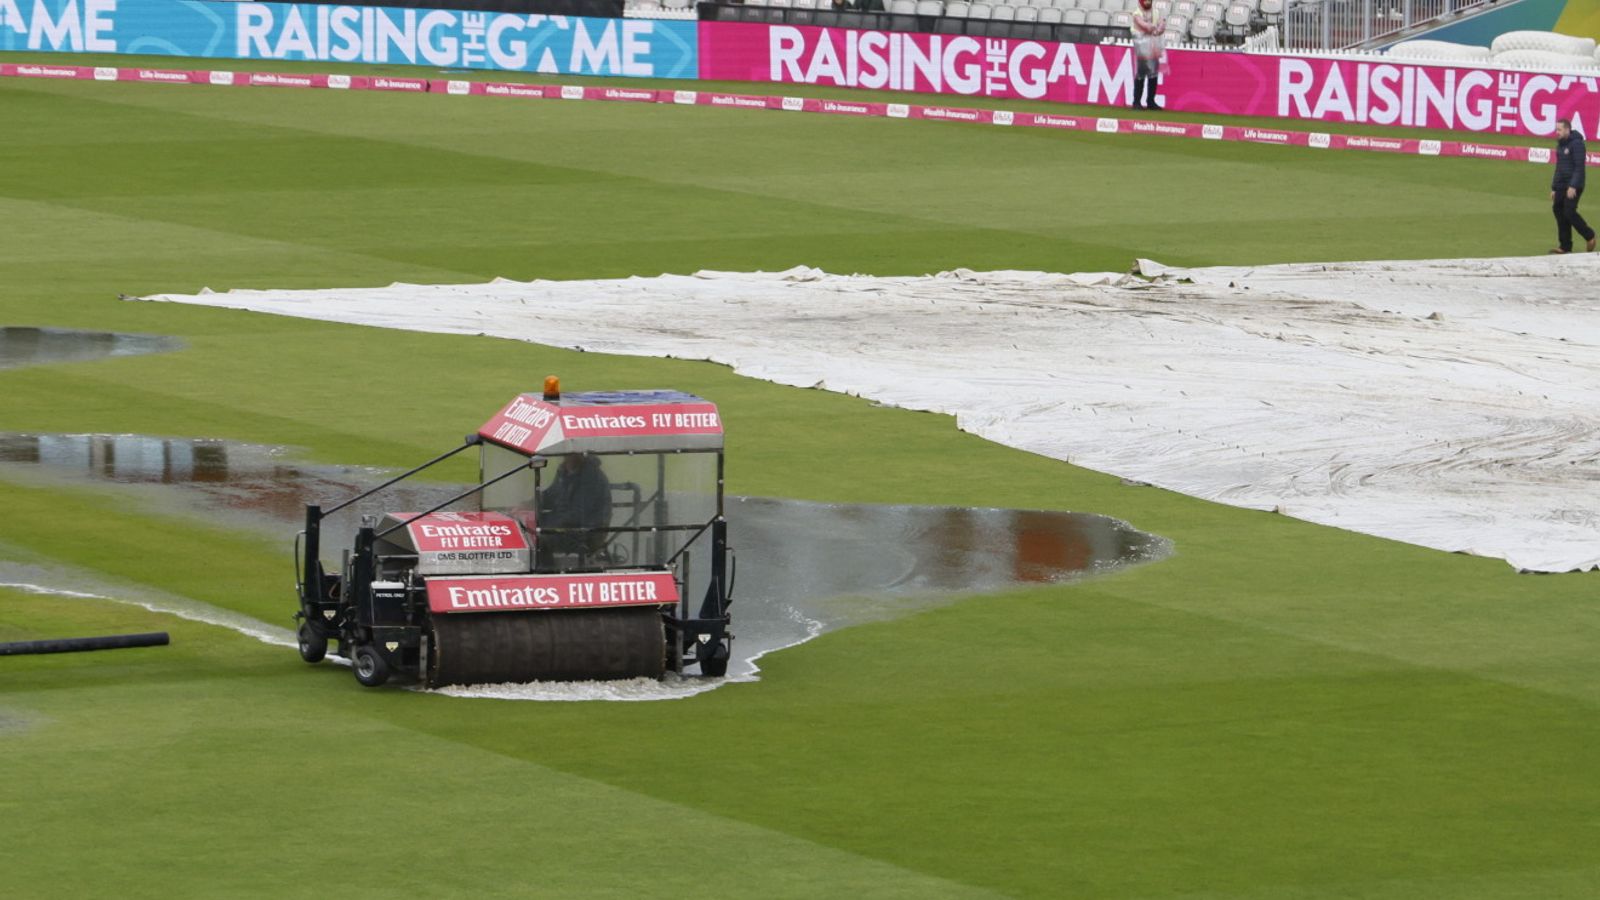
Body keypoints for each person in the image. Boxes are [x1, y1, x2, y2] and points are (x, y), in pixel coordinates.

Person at [537, 453, 612, 555]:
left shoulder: (592, 477)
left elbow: (579, 514)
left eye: (570, 454)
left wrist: (545, 522)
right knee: (532, 534)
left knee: (540, 540)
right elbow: (551, 495)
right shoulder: (564, 472)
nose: (566, 458)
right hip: (568, 530)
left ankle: (545, 570)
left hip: (587, 535)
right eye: (566, 454)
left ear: (581, 455)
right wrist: (531, 504)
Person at [1549, 118, 1596, 254]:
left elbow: (1579, 167)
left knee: (1569, 211)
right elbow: (1559, 168)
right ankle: (1565, 246)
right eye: (1556, 129)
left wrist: (1573, 186)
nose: (1556, 132)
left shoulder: (1577, 144)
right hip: (1562, 185)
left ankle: (1590, 236)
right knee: (1558, 209)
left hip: (1574, 185)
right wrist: (1554, 187)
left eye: (1559, 129)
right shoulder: (1560, 145)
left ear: (1567, 129)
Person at [1130, 0, 1166, 111]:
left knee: (1153, 73)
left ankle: (1151, 101)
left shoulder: (1156, 12)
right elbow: (1145, 26)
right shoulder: (1137, 14)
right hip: (1141, 44)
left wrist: (1157, 30)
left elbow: (1162, 25)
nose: (1147, 2)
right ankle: (1136, 102)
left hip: (1153, 45)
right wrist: (1155, 29)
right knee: (1141, 73)